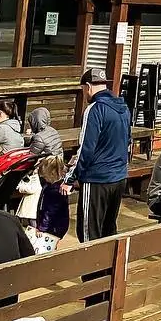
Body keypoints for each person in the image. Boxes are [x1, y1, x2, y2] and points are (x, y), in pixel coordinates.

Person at [67, 68, 130, 242]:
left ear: (88, 86)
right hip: (119, 177)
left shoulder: (94, 110)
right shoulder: (123, 108)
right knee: (108, 230)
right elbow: (128, 141)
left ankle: (92, 269)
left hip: (97, 179)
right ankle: (108, 269)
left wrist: (71, 178)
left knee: (89, 233)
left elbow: (86, 149)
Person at [18, 154, 70, 254]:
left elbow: (49, 212)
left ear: (51, 173)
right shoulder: (53, 185)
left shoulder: (54, 190)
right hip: (55, 225)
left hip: (52, 227)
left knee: (44, 248)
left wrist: (42, 228)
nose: (44, 178)